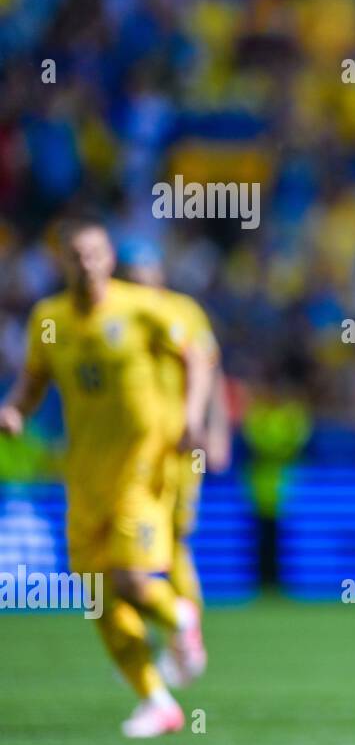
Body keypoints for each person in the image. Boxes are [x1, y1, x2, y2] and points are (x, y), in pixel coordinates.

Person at [0, 218, 211, 737]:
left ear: (109, 258)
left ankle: (181, 618)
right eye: (76, 255)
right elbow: (33, 381)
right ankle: (157, 700)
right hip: (85, 476)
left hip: (141, 467)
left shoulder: (142, 308)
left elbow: (200, 355)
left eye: (95, 253)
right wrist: (14, 410)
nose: (87, 263)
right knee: (97, 593)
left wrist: (192, 414)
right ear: (61, 260)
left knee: (130, 578)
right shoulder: (49, 320)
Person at [118, 238, 231, 685]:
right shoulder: (117, 317)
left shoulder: (183, 312)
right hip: (131, 451)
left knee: (174, 539)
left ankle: (182, 638)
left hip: (180, 448)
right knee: (137, 548)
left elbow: (211, 370)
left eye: (148, 271)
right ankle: (170, 636)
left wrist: (217, 432)